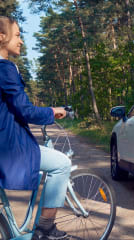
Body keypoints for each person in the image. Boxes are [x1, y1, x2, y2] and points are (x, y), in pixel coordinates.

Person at [0, 16, 71, 239]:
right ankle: (46, 227)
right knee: (62, 164)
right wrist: (51, 112)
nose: (21, 41)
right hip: (8, 147)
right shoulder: (5, 69)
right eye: (18, 35)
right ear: (2, 37)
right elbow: (25, 110)